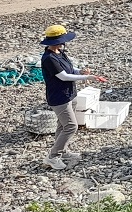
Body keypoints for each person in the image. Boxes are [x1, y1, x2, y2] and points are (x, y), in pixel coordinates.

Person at [38, 24, 106, 170]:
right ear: (55, 41)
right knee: (71, 126)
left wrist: (80, 71)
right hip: (59, 97)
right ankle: (53, 157)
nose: (64, 43)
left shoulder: (60, 52)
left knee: (62, 125)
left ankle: (63, 151)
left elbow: (70, 69)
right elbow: (63, 76)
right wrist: (87, 76)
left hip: (70, 94)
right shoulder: (49, 58)